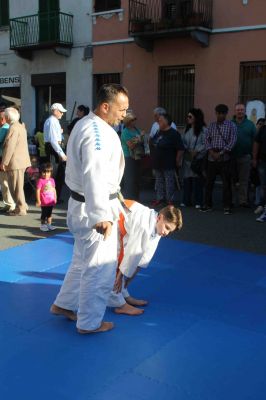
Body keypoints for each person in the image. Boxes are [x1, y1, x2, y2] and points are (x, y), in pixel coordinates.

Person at [50, 83, 129, 334]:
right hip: (93, 209)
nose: (124, 114)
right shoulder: (96, 132)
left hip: (84, 204)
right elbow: (93, 173)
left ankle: (64, 304)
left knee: (82, 261)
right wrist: (101, 216)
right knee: (99, 268)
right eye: (121, 109)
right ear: (105, 107)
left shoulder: (89, 124)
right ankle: (89, 323)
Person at [108, 200, 183, 315]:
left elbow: (145, 256)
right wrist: (120, 275)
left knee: (128, 266)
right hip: (113, 218)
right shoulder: (144, 226)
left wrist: (129, 278)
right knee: (116, 262)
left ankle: (123, 293)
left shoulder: (158, 227)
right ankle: (119, 303)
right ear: (160, 217)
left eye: (170, 231)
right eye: (167, 227)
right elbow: (132, 253)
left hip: (127, 220)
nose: (166, 233)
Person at [200, 104, 237, 215]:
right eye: (218, 113)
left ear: (226, 114)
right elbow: (206, 140)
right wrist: (211, 152)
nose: (220, 115)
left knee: (226, 184)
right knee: (209, 183)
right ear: (215, 113)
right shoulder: (211, 126)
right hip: (211, 159)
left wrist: (220, 153)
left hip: (225, 158)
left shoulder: (231, 126)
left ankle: (227, 206)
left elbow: (233, 141)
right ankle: (207, 204)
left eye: (223, 113)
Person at [0, 107, 31, 216]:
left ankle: (21, 208)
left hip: (15, 162)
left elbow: (10, 147)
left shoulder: (13, 128)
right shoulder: (20, 126)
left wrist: (4, 162)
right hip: (20, 161)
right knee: (18, 186)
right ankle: (22, 206)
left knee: (15, 187)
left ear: (8, 117)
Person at [150, 113, 184, 206]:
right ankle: (160, 198)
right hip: (158, 162)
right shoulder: (159, 132)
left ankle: (170, 200)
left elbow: (180, 148)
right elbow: (153, 141)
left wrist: (177, 160)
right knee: (159, 180)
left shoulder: (174, 133)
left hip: (168, 162)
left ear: (167, 121)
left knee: (169, 181)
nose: (158, 122)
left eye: (160, 120)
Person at [181, 108, 207, 208]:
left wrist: (197, 150)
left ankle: (198, 201)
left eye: (190, 116)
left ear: (196, 117)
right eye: (187, 116)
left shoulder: (203, 130)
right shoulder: (186, 129)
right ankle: (186, 200)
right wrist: (187, 149)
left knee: (198, 181)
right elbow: (182, 141)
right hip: (188, 158)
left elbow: (206, 143)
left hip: (198, 159)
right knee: (187, 180)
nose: (188, 118)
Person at [232, 103, 256, 207]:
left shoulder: (250, 124)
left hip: (245, 156)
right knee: (231, 179)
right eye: (238, 110)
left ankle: (243, 200)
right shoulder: (229, 123)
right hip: (231, 156)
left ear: (245, 111)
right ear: (235, 111)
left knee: (244, 180)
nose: (240, 111)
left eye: (242, 110)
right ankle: (231, 200)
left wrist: (254, 157)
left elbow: (255, 141)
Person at [44, 103, 67, 202]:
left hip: (54, 147)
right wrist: (61, 154)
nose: (62, 114)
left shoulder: (53, 121)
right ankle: (52, 197)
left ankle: (54, 197)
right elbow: (53, 140)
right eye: (61, 111)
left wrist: (59, 132)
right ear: (55, 111)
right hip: (53, 149)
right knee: (55, 174)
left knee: (58, 174)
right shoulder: (52, 121)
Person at [121, 112, 145, 200]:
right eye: (132, 120)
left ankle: (136, 198)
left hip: (137, 156)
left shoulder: (136, 130)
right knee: (130, 179)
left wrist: (141, 138)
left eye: (135, 120)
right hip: (129, 157)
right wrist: (139, 138)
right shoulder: (125, 132)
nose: (134, 122)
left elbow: (141, 141)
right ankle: (129, 199)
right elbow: (130, 145)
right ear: (128, 121)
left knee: (137, 179)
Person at [0, 111, 16, 212]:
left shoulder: (4, 128)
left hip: (2, 157)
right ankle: (7, 202)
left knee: (5, 181)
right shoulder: (5, 127)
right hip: (3, 157)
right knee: (3, 181)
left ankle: (10, 204)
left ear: (3, 119)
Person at [36, 162, 57, 231]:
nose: (46, 174)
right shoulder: (40, 181)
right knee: (44, 214)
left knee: (49, 214)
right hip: (44, 201)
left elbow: (54, 189)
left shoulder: (52, 180)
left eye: (48, 172)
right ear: (41, 172)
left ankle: (49, 224)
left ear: (50, 173)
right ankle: (42, 225)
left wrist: (55, 198)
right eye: (44, 172)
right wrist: (38, 200)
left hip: (51, 200)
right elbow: (38, 190)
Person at [253, 123, 266, 222]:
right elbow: (256, 143)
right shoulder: (263, 129)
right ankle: (262, 205)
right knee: (263, 186)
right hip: (263, 161)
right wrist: (254, 158)